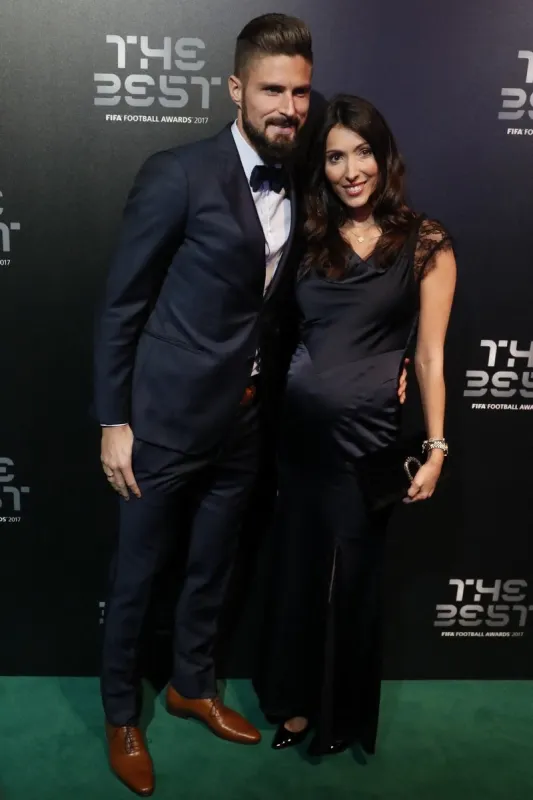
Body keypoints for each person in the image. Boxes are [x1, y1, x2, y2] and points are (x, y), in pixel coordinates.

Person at [93, 13, 314, 796]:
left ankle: (191, 685)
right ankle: (122, 712)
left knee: (212, 568)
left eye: (298, 91)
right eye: (270, 90)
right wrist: (114, 421)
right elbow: (123, 305)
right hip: (161, 421)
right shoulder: (177, 173)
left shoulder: (304, 175)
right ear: (234, 88)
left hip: (246, 418)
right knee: (137, 574)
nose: (286, 106)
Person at [254, 94, 457, 758]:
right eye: (335, 156)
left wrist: (434, 447)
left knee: (353, 582)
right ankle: (294, 706)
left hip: (370, 442)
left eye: (361, 152)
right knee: (299, 575)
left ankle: (340, 716)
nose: (350, 170)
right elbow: (277, 331)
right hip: (299, 443)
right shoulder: (306, 237)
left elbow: (427, 354)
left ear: (382, 155)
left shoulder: (424, 242)